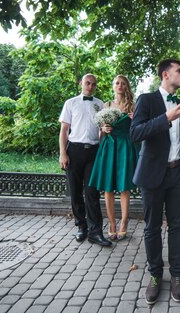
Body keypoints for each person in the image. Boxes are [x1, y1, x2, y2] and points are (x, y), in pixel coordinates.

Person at [130, 59, 180, 305]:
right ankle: (155, 275)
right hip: (153, 173)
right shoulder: (147, 99)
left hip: (177, 173)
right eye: (179, 71)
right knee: (152, 227)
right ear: (166, 74)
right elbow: (135, 133)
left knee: (177, 226)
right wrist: (165, 117)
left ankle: (177, 274)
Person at [58, 74, 112, 247]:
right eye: (87, 83)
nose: (90, 86)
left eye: (93, 84)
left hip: (94, 152)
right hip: (74, 151)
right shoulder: (71, 103)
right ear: (81, 83)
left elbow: (100, 131)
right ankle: (81, 226)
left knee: (92, 193)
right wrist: (62, 153)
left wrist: (104, 130)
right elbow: (64, 130)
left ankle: (96, 232)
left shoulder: (100, 104)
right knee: (75, 192)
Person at [89, 75, 138, 241]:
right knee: (108, 188)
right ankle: (111, 224)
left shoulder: (133, 105)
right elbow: (100, 131)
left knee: (124, 187)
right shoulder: (107, 105)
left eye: (123, 83)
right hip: (109, 147)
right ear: (113, 86)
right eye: (117, 83)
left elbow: (138, 129)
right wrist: (104, 128)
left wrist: (134, 120)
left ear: (127, 87)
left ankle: (124, 224)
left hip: (125, 146)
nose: (120, 85)